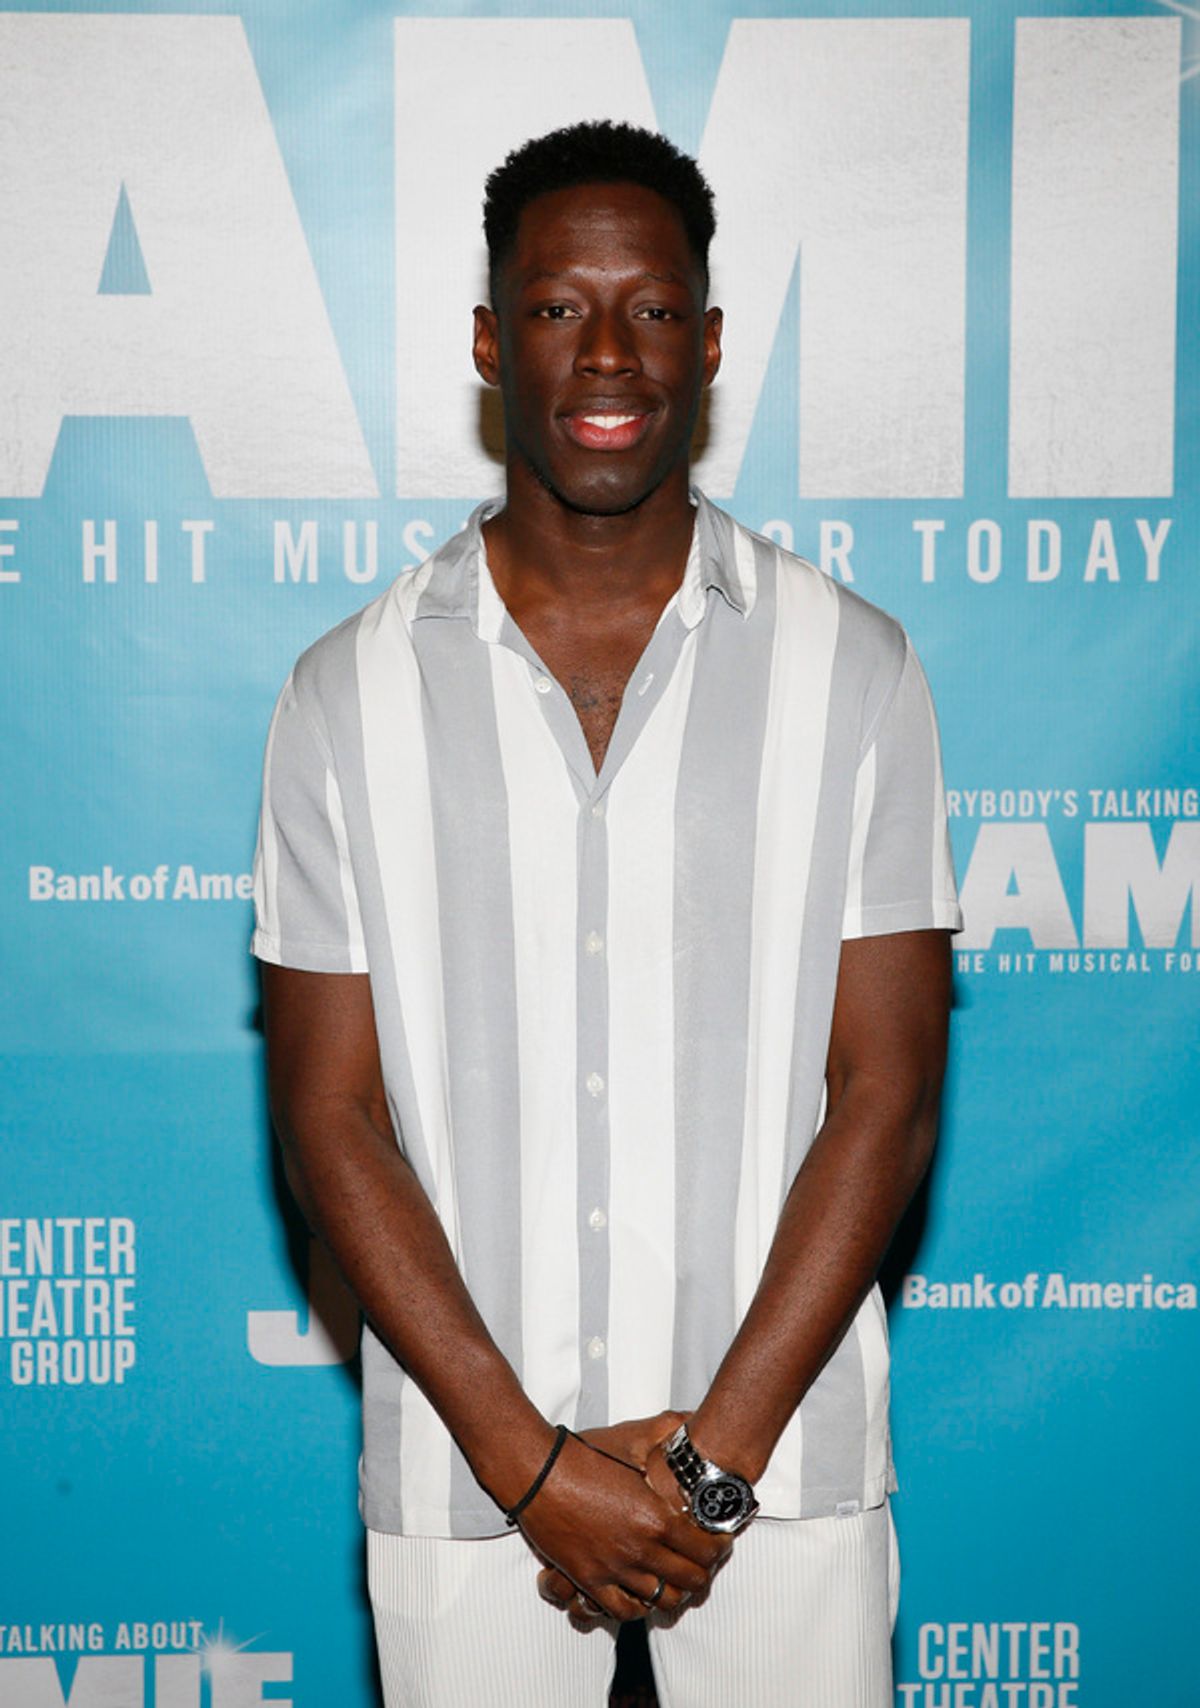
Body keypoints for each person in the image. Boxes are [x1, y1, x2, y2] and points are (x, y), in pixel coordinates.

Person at [252, 120, 961, 1708]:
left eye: (650, 307)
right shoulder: (343, 693)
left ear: (706, 344)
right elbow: (328, 1111)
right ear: (494, 344)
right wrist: (530, 1469)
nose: (607, 350)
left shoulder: (854, 668)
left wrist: (709, 1472)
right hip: (468, 1491)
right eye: (560, 307)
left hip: (776, 1491)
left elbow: (891, 1092)